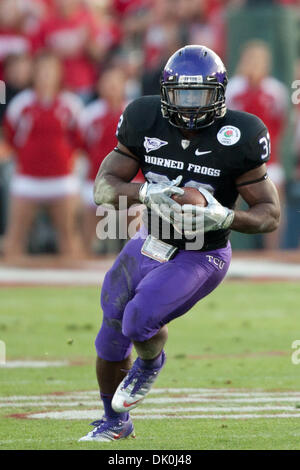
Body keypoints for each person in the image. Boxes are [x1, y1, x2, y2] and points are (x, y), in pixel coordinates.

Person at [79, 45, 280, 442]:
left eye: (199, 94)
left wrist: (224, 215)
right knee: (111, 330)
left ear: (219, 94)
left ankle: (151, 363)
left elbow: (270, 215)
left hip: (201, 255)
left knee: (140, 319)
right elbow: (104, 187)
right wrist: (144, 194)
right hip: (150, 241)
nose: (189, 106)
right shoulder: (143, 116)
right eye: (182, 94)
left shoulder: (241, 134)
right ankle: (114, 422)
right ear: (166, 91)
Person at [3, 52, 83, 259]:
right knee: (15, 238)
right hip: (27, 179)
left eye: (51, 70)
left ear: (59, 74)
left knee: (69, 238)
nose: (46, 75)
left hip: (62, 180)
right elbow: (10, 138)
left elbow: (79, 140)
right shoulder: (21, 104)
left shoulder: (71, 105)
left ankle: (72, 287)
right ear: (35, 73)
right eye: (42, 70)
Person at [226, 40, 288, 249]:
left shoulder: (275, 90)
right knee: (227, 205)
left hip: (268, 160)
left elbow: (280, 124)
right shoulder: (233, 88)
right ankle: (221, 248)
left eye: (259, 60)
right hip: (236, 159)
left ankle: (273, 253)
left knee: (274, 204)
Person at [77, 67, 143, 253]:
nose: (112, 87)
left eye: (116, 83)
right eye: (107, 82)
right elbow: (82, 150)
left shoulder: (135, 114)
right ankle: (85, 262)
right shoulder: (90, 115)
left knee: (138, 224)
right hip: (96, 180)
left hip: (132, 181)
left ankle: (135, 261)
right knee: (86, 233)